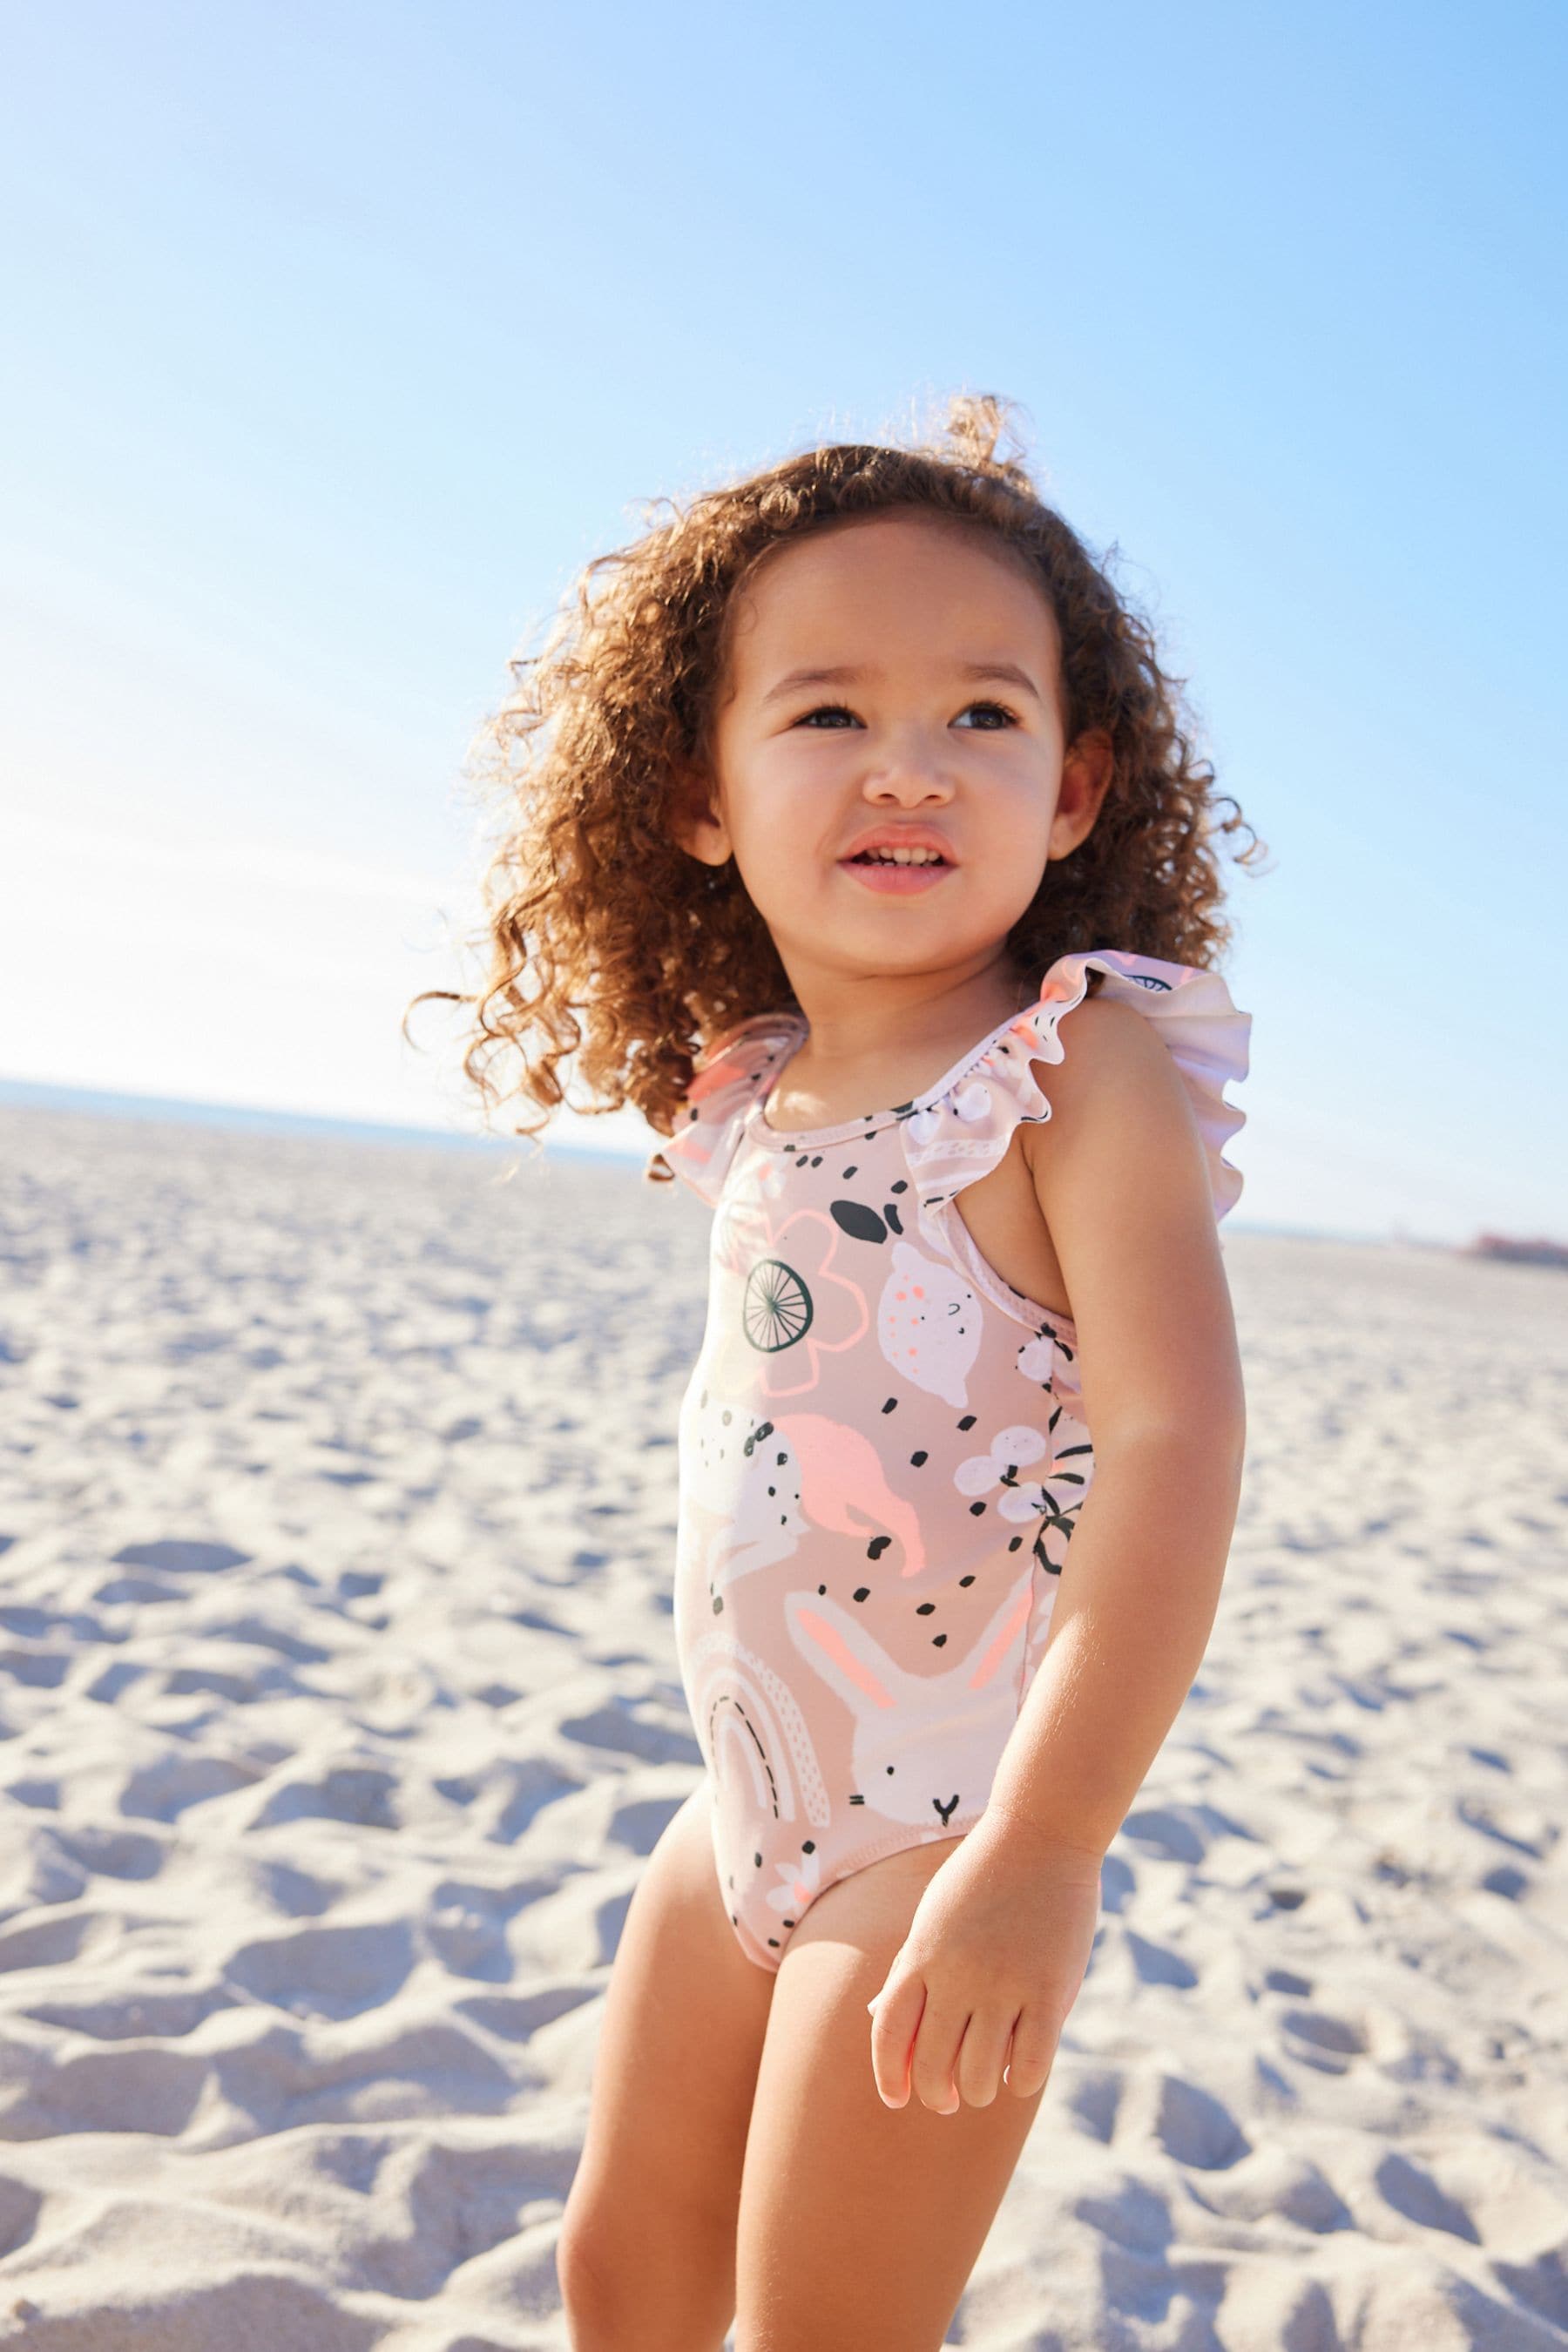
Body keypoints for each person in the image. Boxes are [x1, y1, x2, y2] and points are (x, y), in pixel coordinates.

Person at [422, 392, 1263, 2350]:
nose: (913, 765)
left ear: (1074, 790)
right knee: (623, 2276)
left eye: (984, 714)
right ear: (698, 797)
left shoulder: (1074, 1069)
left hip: (947, 1843)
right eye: (826, 714)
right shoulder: (760, 1083)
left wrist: (1048, 1852)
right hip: (742, 1811)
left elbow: (1172, 1437)